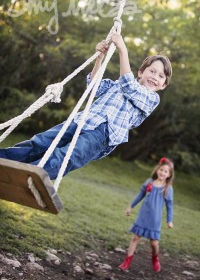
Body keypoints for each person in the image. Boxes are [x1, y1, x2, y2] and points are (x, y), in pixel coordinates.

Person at [0, 34, 172, 180]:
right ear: (141, 72)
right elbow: (93, 86)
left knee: (64, 156)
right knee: (40, 143)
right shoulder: (118, 83)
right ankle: (3, 161)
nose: (155, 77)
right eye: (152, 71)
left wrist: (122, 49)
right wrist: (99, 58)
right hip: (82, 120)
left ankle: (26, 177)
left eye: (161, 76)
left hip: (102, 134)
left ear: (163, 85)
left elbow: (129, 86)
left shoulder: (151, 98)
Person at [119, 157, 174, 272]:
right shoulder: (149, 182)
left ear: (169, 175)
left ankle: (155, 259)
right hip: (143, 217)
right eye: (161, 170)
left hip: (155, 220)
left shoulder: (168, 189)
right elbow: (140, 196)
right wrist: (130, 207)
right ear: (157, 170)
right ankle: (127, 261)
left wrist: (169, 220)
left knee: (154, 243)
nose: (162, 172)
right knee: (135, 238)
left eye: (165, 171)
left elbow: (169, 205)